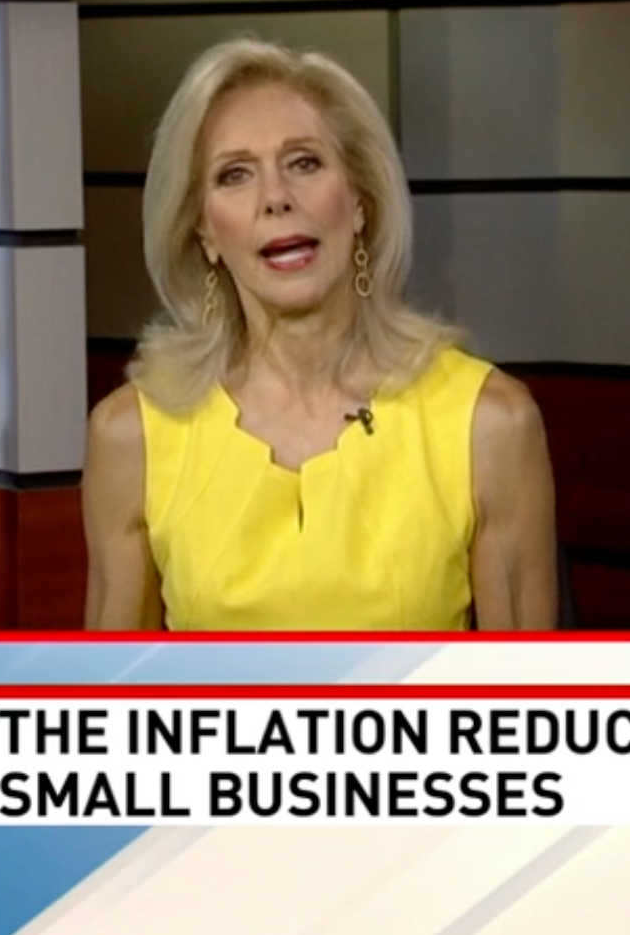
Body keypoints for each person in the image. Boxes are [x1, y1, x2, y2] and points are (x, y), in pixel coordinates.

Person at [83, 36, 559, 631]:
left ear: (359, 200)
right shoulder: (132, 438)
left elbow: (522, 711)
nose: (276, 198)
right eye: (235, 175)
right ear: (203, 230)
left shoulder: (488, 425)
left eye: (304, 163)